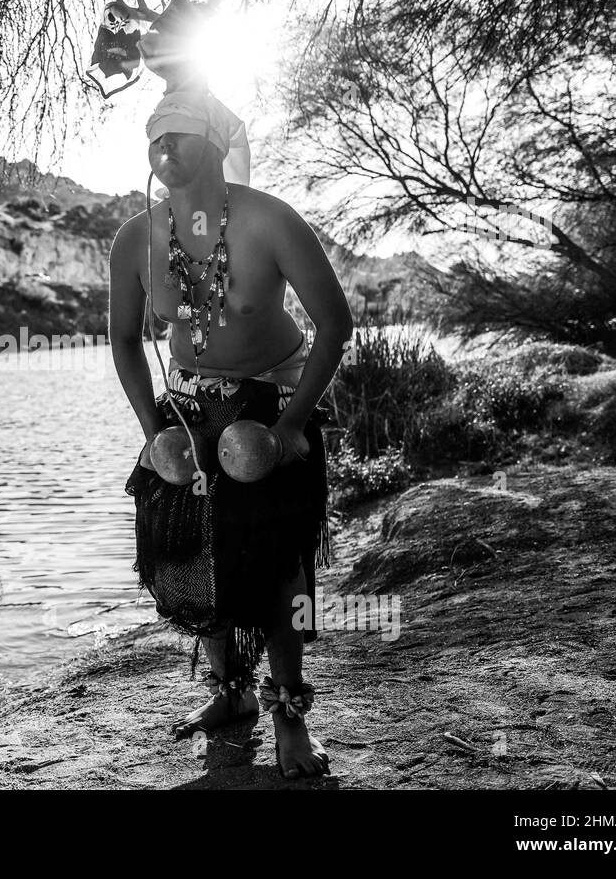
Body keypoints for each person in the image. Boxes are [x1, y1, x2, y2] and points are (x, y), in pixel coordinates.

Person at [108, 48, 353, 778]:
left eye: (177, 135)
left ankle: (291, 720)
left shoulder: (270, 220)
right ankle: (230, 695)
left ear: (214, 143)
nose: (162, 149)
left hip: (269, 401)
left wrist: (286, 430)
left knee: (276, 569)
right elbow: (123, 339)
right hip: (186, 406)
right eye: (154, 137)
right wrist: (154, 432)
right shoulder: (134, 238)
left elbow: (333, 326)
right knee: (189, 557)